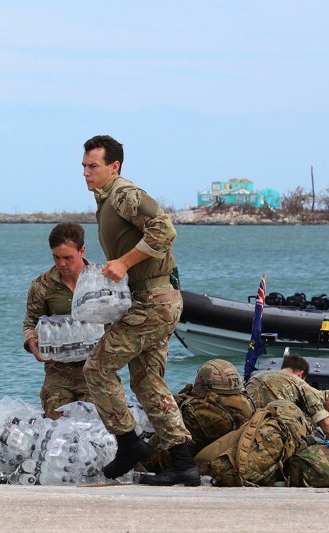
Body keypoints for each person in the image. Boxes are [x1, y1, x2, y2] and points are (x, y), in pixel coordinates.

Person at [80, 134, 199, 486]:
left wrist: (124, 262)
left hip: (154, 301)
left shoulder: (123, 194)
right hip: (153, 299)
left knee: (98, 368)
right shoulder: (106, 200)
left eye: (93, 166)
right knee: (147, 381)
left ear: (113, 166)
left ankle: (129, 443)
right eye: (83, 167)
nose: (86, 173)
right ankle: (183, 462)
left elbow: (165, 229)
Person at [22, 222, 92, 419]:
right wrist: (31, 343)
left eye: (67, 257)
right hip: (58, 373)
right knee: (57, 431)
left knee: (98, 431)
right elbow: (30, 322)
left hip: (97, 370)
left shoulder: (101, 280)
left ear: (82, 250)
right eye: (56, 257)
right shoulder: (41, 285)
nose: (61, 264)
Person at [244, 354, 329, 457]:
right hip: (268, 440)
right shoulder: (303, 386)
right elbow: (325, 422)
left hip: (245, 432)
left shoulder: (255, 377)